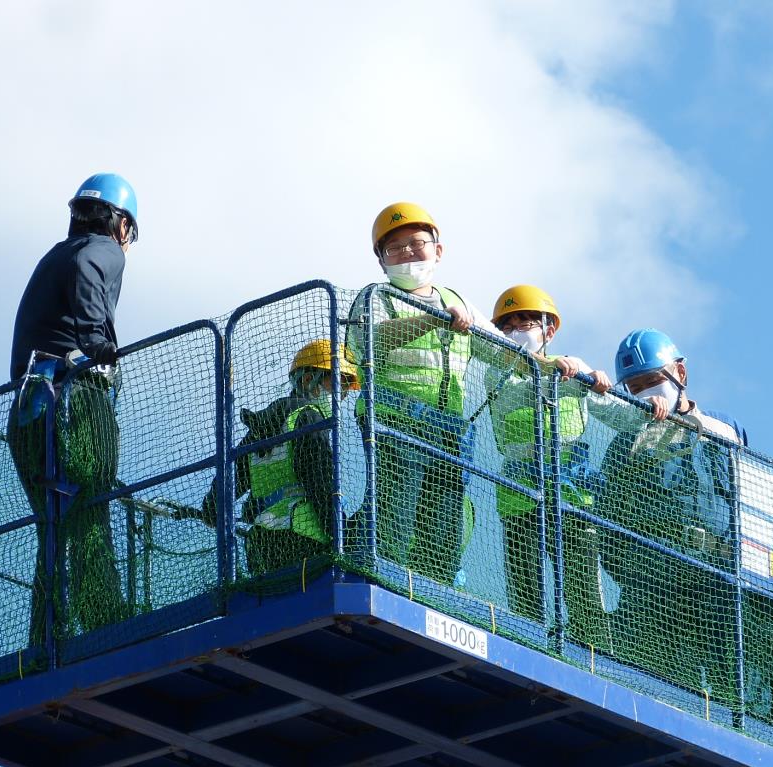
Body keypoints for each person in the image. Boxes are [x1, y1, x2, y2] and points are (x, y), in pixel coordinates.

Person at [8, 172, 138, 645]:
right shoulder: (100, 248)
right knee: (89, 519)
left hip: (28, 412)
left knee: (55, 530)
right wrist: (97, 341)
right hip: (74, 408)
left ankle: (47, 637)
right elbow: (90, 269)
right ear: (120, 222)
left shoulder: (51, 256)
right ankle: (106, 628)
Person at [346, 202, 503, 587]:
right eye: (394, 249)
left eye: (416, 243)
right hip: (395, 420)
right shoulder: (376, 298)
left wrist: (557, 367)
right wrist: (432, 319)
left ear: (438, 249)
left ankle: (435, 595)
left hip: (449, 433)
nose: (408, 254)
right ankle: (380, 582)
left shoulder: (459, 302)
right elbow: (367, 342)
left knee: (445, 530)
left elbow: (508, 355)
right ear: (381, 261)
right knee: (393, 517)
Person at [596, 329, 746, 701]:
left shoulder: (720, 428)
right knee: (645, 685)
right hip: (648, 583)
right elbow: (608, 517)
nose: (644, 393)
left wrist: (681, 424)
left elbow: (736, 448)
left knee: (733, 689)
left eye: (652, 381)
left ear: (680, 373)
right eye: (634, 388)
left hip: (714, 579)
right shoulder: (624, 446)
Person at [488, 285, 615, 647]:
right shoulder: (499, 372)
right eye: (508, 325)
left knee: (583, 589)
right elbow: (517, 391)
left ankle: (594, 656)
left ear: (549, 329)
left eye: (526, 320)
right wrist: (554, 372)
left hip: (572, 498)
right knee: (526, 589)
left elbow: (619, 414)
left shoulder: (574, 370)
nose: (517, 329)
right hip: (519, 497)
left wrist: (595, 381)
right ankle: (529, 649)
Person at [215, 339, 356, 589]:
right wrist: (346, 538)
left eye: (346, 386)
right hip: (306, 547)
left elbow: (219, 498)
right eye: (337, 382)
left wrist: (206, 513)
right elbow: (323, 489)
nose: (343, 394)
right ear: (307, 381)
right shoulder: (309, 419)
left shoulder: (259, 429)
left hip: (263, 550)